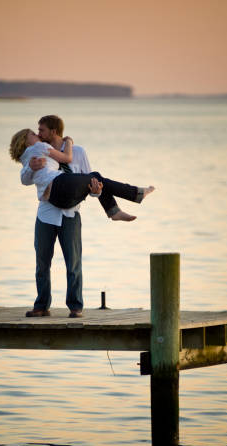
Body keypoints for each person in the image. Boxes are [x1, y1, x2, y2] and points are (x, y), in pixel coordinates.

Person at [15, 115, 92, 319]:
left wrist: (97, 191)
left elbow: (89, 184)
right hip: (46, 215)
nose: (39, 134)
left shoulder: (78, 152)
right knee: (42, 263)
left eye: (41, 130)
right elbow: (24, 180)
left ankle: (76, 307)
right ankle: (42, 305)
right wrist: (31, 167)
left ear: (53, 131)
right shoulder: (39, 152)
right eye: (37, 131)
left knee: (73, 263)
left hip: (70, 215)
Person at [10, 128, 154, 221]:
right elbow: (67, 158)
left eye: (40, 131)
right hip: (58, 188)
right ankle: (130, 198)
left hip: (62, 202)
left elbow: (24, 179)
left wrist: (30, 167)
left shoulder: (26, 158)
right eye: (34, 134)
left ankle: (118, 207)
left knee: (95, 178)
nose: (38, 135)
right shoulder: (39, 147)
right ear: (25, 141)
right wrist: (69, 142)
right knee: (95, 176)